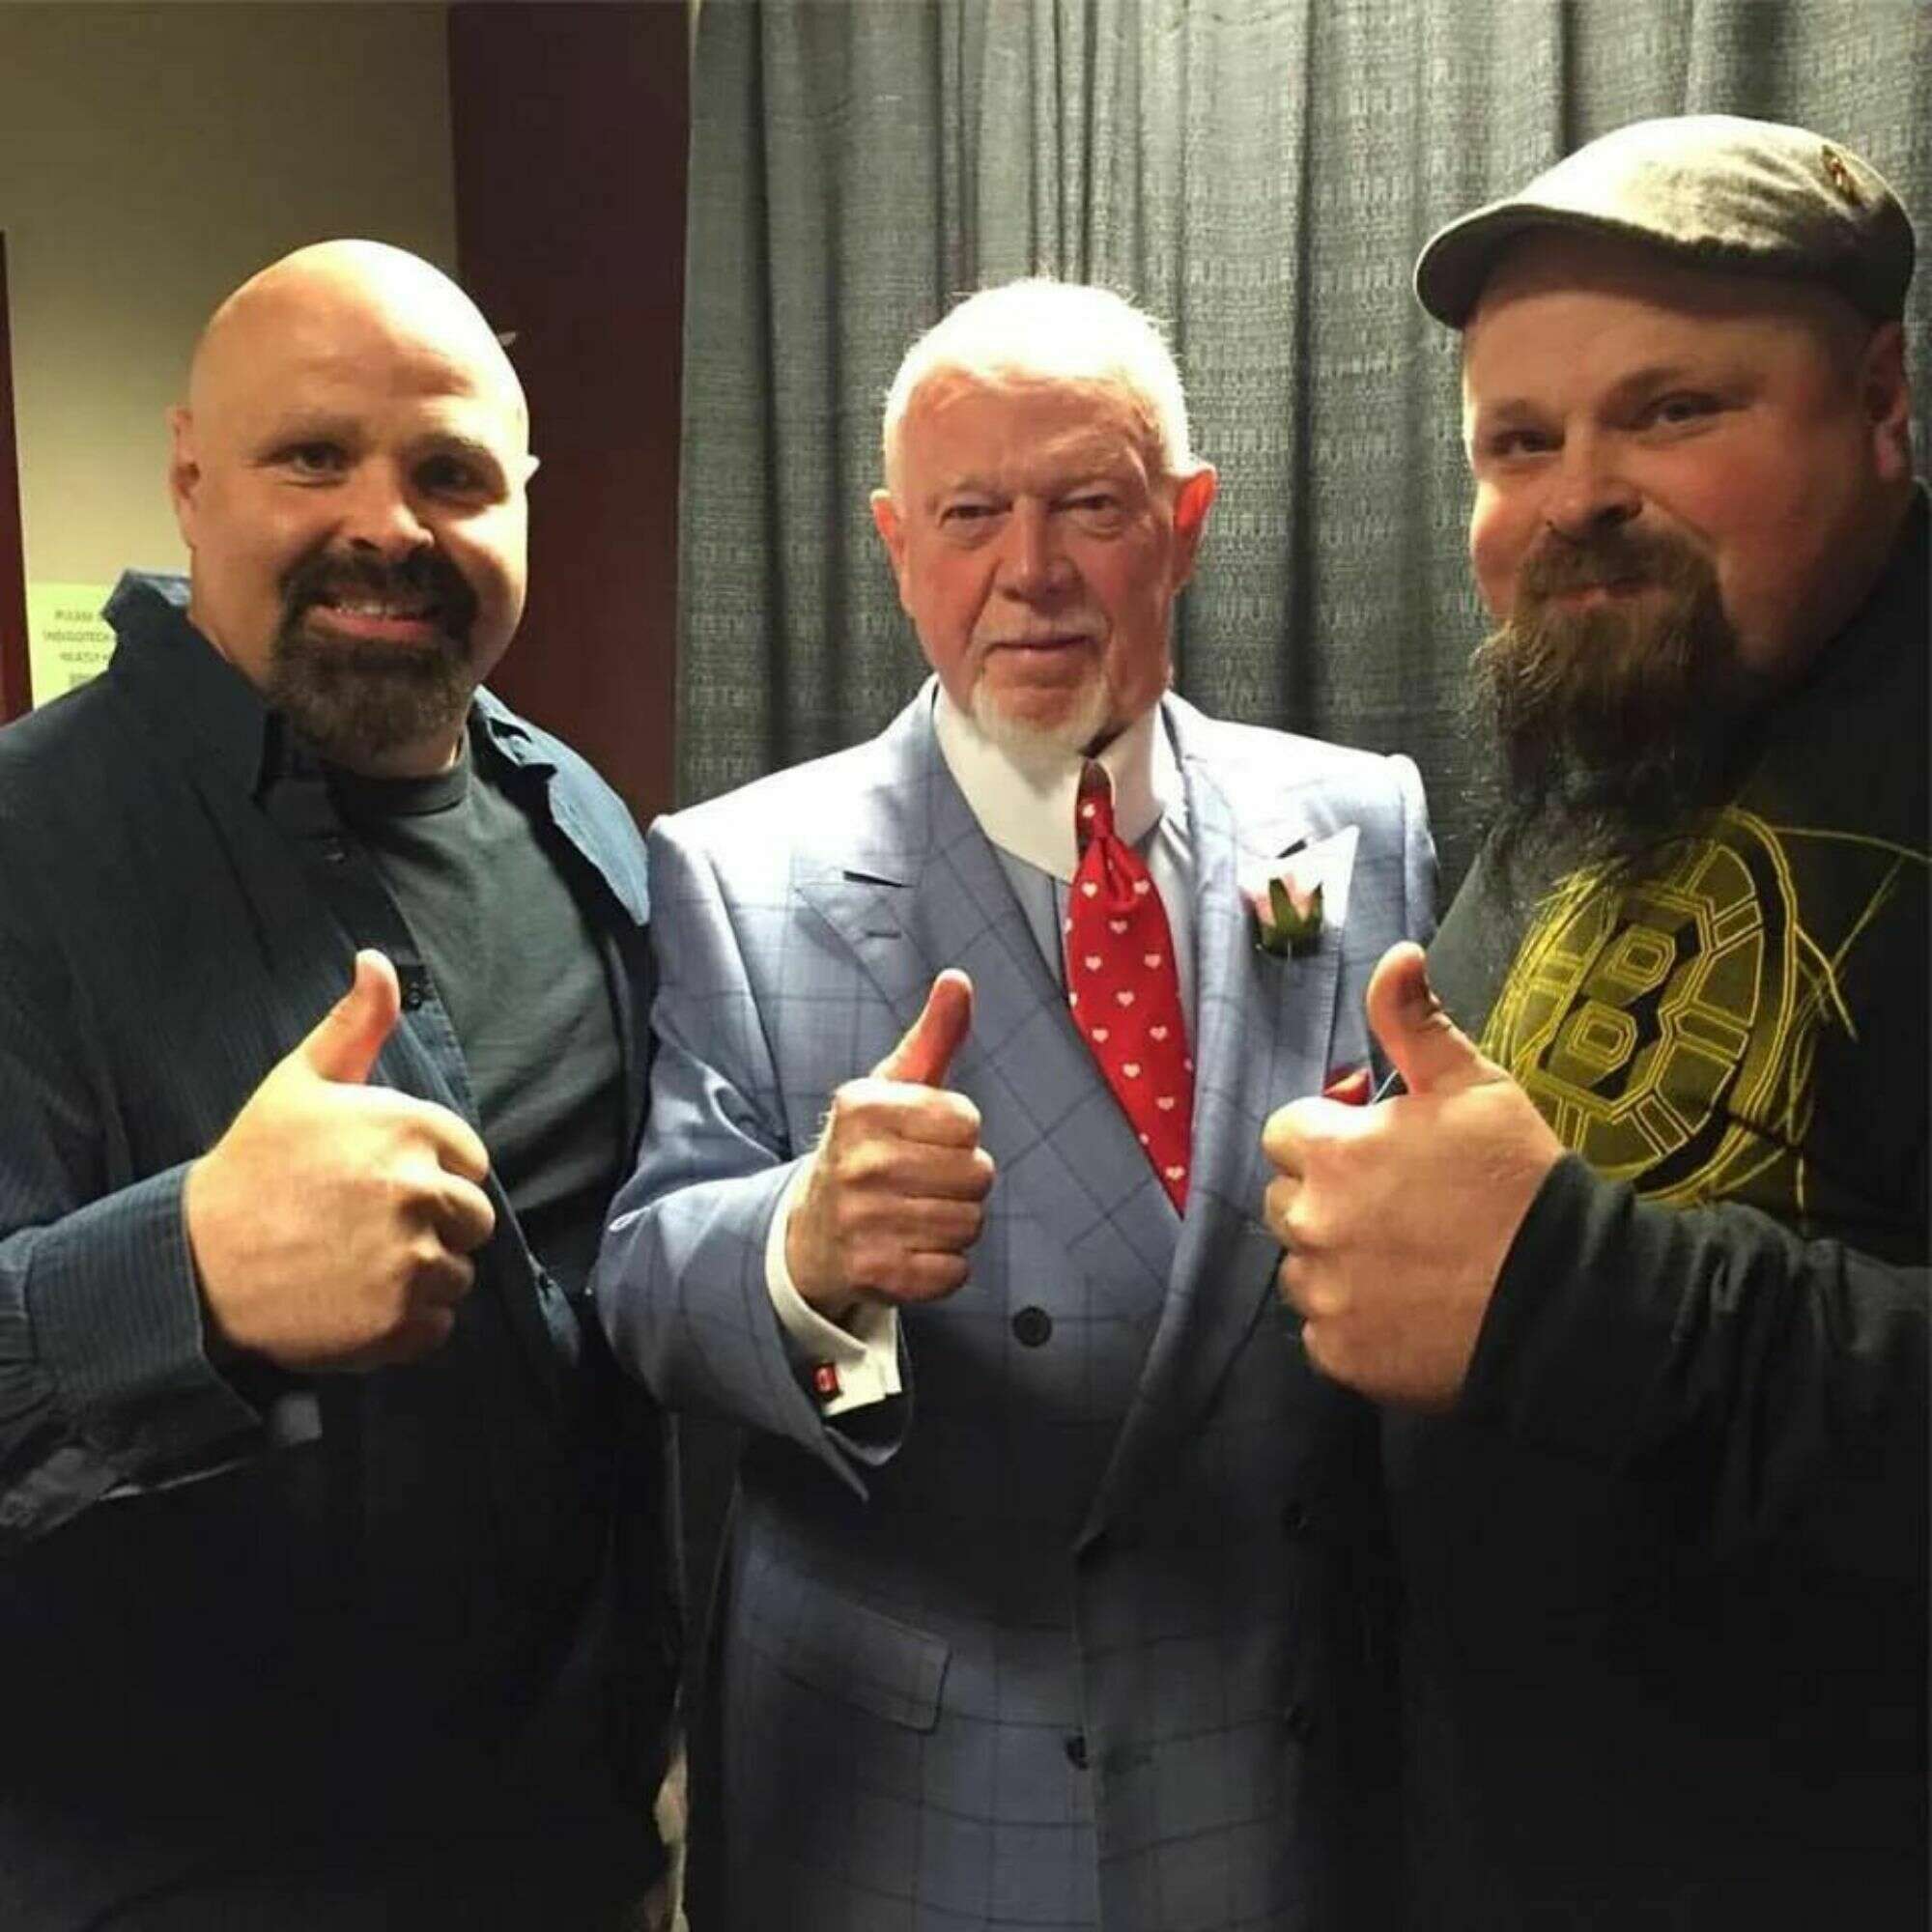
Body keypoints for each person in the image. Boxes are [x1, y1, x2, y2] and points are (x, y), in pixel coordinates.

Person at [594, 278, 1436, 1931]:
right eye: (973, 513)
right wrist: (800, 1249)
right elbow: (638, 1278)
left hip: (1272, 1751)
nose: (1030, 571)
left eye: (1090, 506)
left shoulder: (1358, 827)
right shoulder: (741, 870)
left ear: (1183, 524)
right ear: (901, 545)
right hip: (910, 1778)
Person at [1261, 117, 1926, 1927]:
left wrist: (1566, 1291)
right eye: (1520, 442)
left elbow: (1561, 1287)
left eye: (1674, 412)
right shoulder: (1616, 727)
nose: (1579, 495)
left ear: (1881, 401)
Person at [0, 241, 676, 1930]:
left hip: (571, 1840)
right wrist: (188, 1273)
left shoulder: (578, 818)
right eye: (315, 457)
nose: (388, 523)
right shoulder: (20, 851)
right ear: (188, 482)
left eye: (449, 472)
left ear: (521, 504)